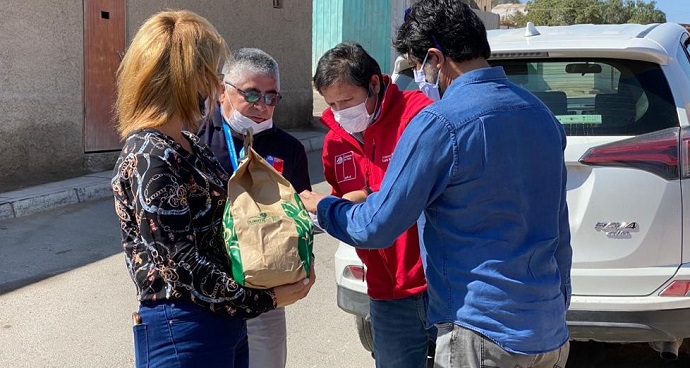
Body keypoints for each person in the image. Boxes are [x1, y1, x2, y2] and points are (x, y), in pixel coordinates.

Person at [300, 1, 572, 367]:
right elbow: (559, 231)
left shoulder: (441, 123)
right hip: (548, 331)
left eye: (416, 65)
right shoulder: (541, 115)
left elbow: (377, 226)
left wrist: (326, 207)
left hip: (482, 332)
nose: (419, 75)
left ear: (435, 58)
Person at [111, 11, 310, 368]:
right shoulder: (150, 156)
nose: (214, 87)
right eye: (209, 73)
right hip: (186, 328)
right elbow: (182, 266)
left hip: (223, 320)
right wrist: (267, 300)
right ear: (187, 79)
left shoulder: (187, 143)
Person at [312, 42, 435, 368]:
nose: (341, 111)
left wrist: (357, 197)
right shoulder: (334, 143)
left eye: (348, 100)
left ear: (374, 84)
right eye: (332, 103)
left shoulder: (417, 115)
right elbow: (346, 213)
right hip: (386, 287)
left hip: (439, 283)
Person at [197, 48, 313, 368]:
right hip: (209, 292)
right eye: (252, 94)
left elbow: (301, 215)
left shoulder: (288, 149)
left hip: (266, 295)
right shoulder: (193, 140)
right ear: (223, 90)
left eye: (272, 97)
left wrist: (307, 260)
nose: (263, 107)